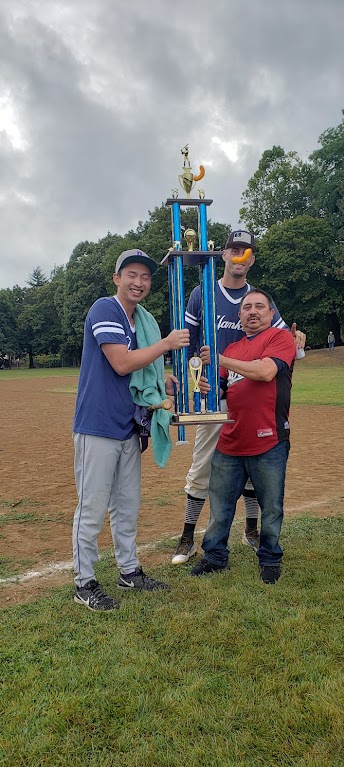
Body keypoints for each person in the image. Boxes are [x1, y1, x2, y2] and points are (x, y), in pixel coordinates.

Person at [171, 229, 306, 565]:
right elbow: (188, 343)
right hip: (215, 390)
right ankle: (187, 536)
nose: (239, 256)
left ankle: (251, 529)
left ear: (252, 260)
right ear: (224, 255)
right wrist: (193, 384)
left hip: (254, 394)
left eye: (246, 251)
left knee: (254, 463)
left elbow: (283, 339)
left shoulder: (258, 299)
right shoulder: (203, 292)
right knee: (203, 465)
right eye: (234, 250)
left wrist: (299, 338)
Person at [72, 248, 189, 611]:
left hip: (129, 425)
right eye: (132, 275)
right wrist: (166, 344)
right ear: (117, 278)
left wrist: (162, 387)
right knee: (92, 507)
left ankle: (129, 571)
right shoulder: (105, 309)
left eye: (145, 277)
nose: (139, 282)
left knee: (127, 506)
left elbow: (139, 377)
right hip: (98, 424)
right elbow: (122, 363)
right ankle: (84, 582)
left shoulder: (144, 320)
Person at [190, 289, 296, 584]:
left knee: (271, 506)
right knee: (220, 505)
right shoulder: (234, 348)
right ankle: (215, 556)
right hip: (230, 440)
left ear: (271, 313)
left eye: (259, 306)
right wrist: (204, 387)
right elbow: (221, 390)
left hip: (269, 439)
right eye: (246, 307)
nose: (253, 311)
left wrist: (221, 359)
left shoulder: (280, 338)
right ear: (239, 316)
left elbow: (265, 372)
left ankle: (270, 557)